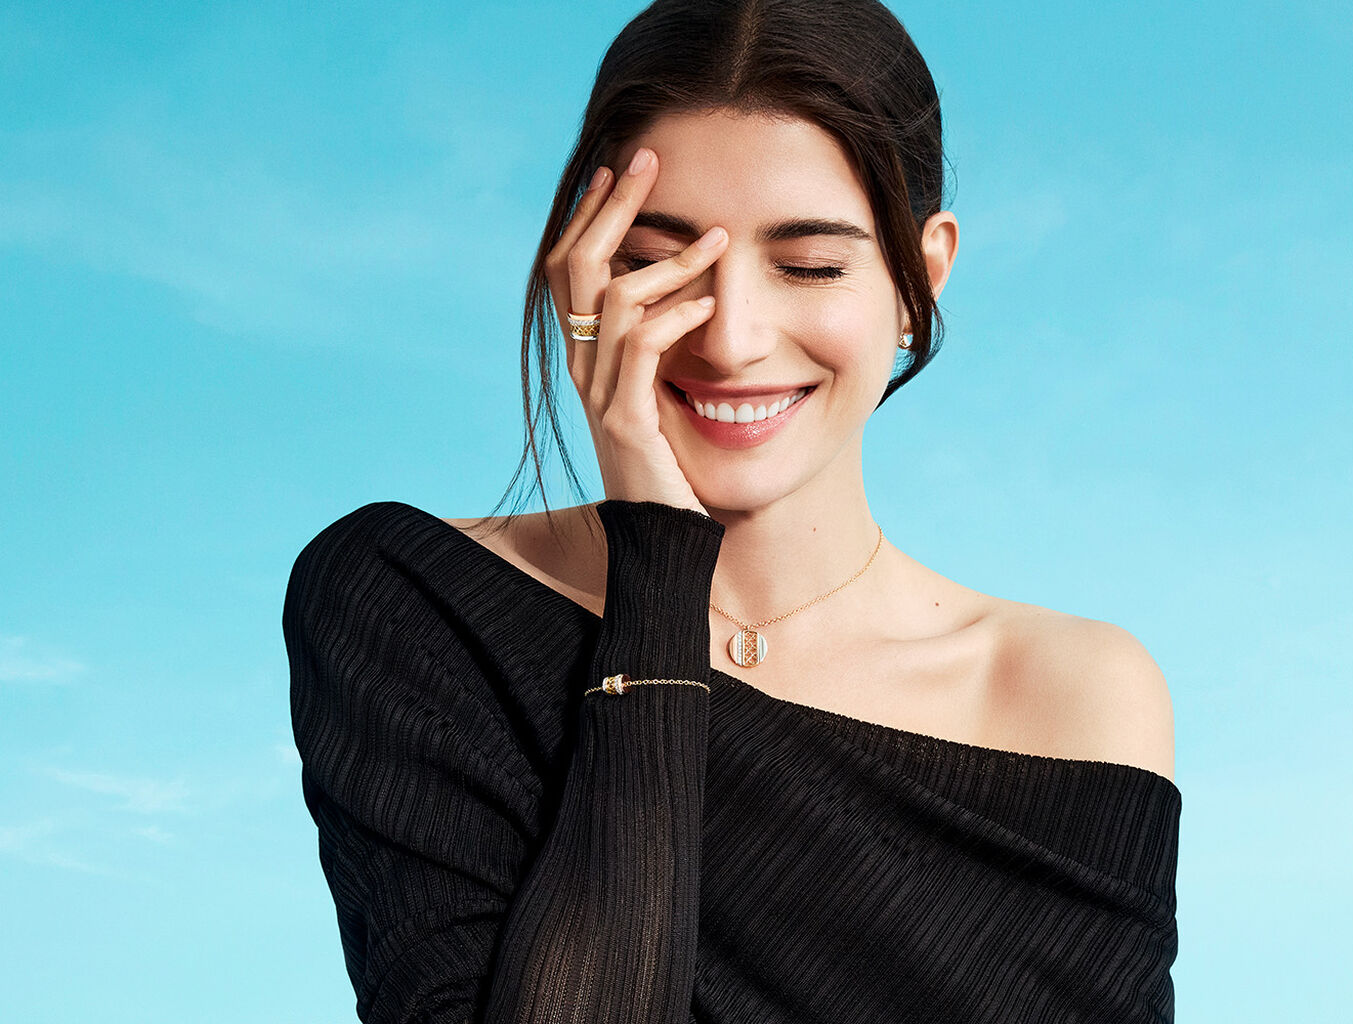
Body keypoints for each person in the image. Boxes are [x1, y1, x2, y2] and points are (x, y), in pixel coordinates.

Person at [283, 0, 1181, 1021]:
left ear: (918, 279)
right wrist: (660, 565)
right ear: (585, 265)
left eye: (810, 266)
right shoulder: (416, 605)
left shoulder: (1071, 692)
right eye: (661, 264)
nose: (733, 338)